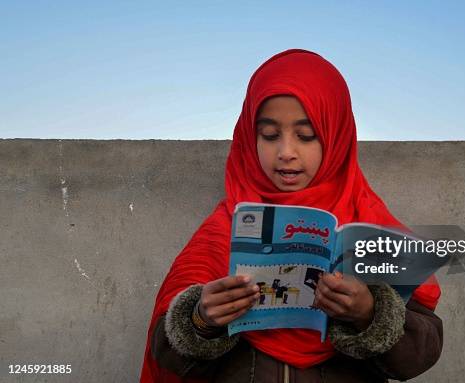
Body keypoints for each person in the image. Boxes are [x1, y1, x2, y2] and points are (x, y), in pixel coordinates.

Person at [140, 49, 443, 383]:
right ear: (248, 137)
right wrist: (200, 320)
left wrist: (369, 314)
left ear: (336, 136)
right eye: (269, 135)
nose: (286, 152)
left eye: (306, 135)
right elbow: (166, 350)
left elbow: (421, 352)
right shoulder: (224, 229)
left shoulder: (372, 229)